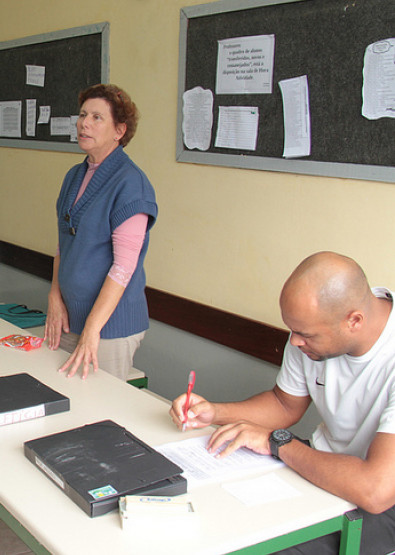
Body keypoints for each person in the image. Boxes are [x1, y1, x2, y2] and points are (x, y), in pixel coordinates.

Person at [170, 252, 395, 554]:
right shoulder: (310, 334)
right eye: (293, 330)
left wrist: (278, 443)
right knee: (211, 516)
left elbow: (376, 490)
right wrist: (215, 412)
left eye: (305, 335)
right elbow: (284, 404)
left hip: (382, 502)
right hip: (320, 465)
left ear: (353, 320)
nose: (295, 343)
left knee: (268, 546)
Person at [44, 84, 158, 380]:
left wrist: (92, 330)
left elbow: (123, 268)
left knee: (96, 415)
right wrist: (55, 298)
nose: (84, 123)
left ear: (119, 130)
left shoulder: (131, 184)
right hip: (70, 318)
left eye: (97, 117)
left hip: (110, 328)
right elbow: (62, 247)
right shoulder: (74, 176)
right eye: (82, 115)